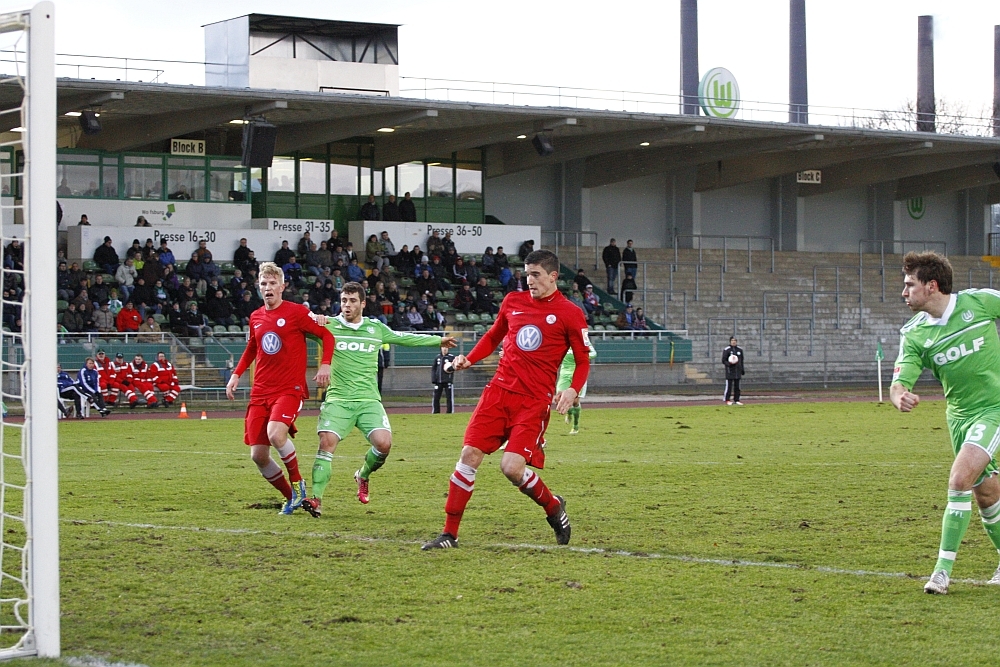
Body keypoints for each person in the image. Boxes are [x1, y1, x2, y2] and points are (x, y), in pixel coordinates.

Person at [422, 249, 591, 550]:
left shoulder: (570, 313)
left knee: (511, 468)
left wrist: (572, 390)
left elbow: (582, 360)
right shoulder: (513, 302)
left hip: (533, 400)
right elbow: (492, 336)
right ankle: (449, 534)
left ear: (553, 276)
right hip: (498, 393)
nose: (529, 280)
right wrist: (470, 359)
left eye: (536, 274)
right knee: (468, 457)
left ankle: (553, 507)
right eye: (527, 274)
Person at [890, 251, 1000, 594]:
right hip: (958, 418)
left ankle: (941, 572)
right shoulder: (915, 333)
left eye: (910, 285)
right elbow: (899, 380)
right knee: (986, 493)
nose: (904, 292)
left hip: (994, 408)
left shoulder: (979, 303)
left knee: (959, 478)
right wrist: (899, 395)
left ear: (931, 286)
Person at [300, 282, 457, 516]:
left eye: (352, 301)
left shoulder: (376, 328)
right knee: (326, 443)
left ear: (363, 303)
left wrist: (437, 341)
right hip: (338, 400)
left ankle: (363, 474)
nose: (347, 305)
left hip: (368, 401)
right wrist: (312, 317)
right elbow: (296, 322)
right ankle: (316, 500)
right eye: (344, 300)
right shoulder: (329, 326)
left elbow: (404, 338)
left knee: (384, 444)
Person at [226, 262, 335, 515]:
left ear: (282, 286)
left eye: (273, 283)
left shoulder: (297, 312)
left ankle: (298, 484)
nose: (268, 288)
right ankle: (290, 496)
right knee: (258, 456)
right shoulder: (255, 317)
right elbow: (252, 348)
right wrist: (236, 375)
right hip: (260, 391)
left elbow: (327, 336)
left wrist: (325, 365)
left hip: (289, 388)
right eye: (263, 284)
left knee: (276, 434)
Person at [558, 342, 597, 434]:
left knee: (575, 402)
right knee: (560, 398)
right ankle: (569, 412)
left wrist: (581, 355)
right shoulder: (562, 341)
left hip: (578, 374)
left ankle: (575, 426)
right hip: (564, 375)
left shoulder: (583, 341)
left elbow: (594, 353)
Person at [431, 345, 456, 414]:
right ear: (441, 348)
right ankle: (436, 412)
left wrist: (449, 369)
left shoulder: (451, 357)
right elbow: (434, 368)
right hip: (438, 381)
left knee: (449, 398)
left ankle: (449, 412)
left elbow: (455, 367)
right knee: (436, 398)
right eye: (443, 348)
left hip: (448, 381)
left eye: (446, 348)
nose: (445, 349)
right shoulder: (437, 357)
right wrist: (434, 379)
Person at [722, 336, 745, 405]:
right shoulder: (727, 350)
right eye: (732, 340)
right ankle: (727, 399)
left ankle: (737, 399)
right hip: (730, 371)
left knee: (737, 387)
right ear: (730, 341)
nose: (733, 341)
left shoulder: (739, 350)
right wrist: (729, 364)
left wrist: (742, 369)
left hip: (737, 371)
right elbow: (723, 360)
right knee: (729, 386)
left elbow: (741, 361)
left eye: (735, 340)